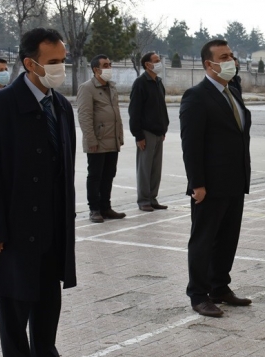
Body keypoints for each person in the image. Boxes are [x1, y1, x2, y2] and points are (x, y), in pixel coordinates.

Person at [0, 28, 87, 357]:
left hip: (53, 223)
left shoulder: (60, 105)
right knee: (14, 301)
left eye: (62, 60)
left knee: (47, 298)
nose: (60, 68)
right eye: (53, 63)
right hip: (14, 225)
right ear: (30, 63)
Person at [180, 39, 253, 318]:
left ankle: (220, 287)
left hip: (235, 180)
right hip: (209, 185)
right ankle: (198, 294)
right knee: (204, 240)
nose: (231, 61)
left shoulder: (232, 91)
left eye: (231, 55)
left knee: (227, 238)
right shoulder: (196, 96)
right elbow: (191, 144)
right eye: (224, 57)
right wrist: (197, 183)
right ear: (209, 64)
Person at [77, 54, 126, 223]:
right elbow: (84, 116)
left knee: (109, 174)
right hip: (97, 140)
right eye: (105, 65)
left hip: (112, 140)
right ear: (95, 69)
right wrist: (91, 140)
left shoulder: (112, 87)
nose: (109, 67)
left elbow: (116, 114)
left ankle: (106, 207)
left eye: (110, 64)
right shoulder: (87, 88)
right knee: (95, 175)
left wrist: (119, 136)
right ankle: (94, 209)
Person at [128, 51, 170, 211]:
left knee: (155, 168)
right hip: (146, 132)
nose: (159, 63)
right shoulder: (140, 83)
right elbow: (135, 111)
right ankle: (144, 200)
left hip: (159, 132)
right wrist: (138, 135)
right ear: (147, 64)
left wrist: (164, 127)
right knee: (144, 168)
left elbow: (162, 108)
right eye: (156, 60)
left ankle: (153, 198)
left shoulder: (158, 82)